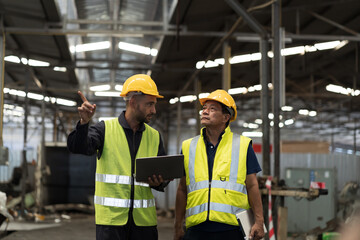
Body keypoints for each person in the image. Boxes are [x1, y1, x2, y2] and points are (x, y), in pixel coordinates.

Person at [67, 74, 167, 240]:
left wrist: (160, 181)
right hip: (111, 223)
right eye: (150, 104)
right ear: (133, 102)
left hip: (144, 224)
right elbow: (78, 147)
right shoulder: (104, 129)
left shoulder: (155, 136)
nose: (154, 110)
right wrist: (84, 124)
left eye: (154, 105)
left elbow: (162, 175)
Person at [174, 89, 265, 240]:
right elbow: (182, 189)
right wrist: (177, 226)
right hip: (196, 229)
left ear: (226, 117)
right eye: (204, 108)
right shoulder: (188, 146)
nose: (205, 112)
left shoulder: (242, 145)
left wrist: (259, 222)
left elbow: (252, 186)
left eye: (212, 109)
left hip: (232, 229)